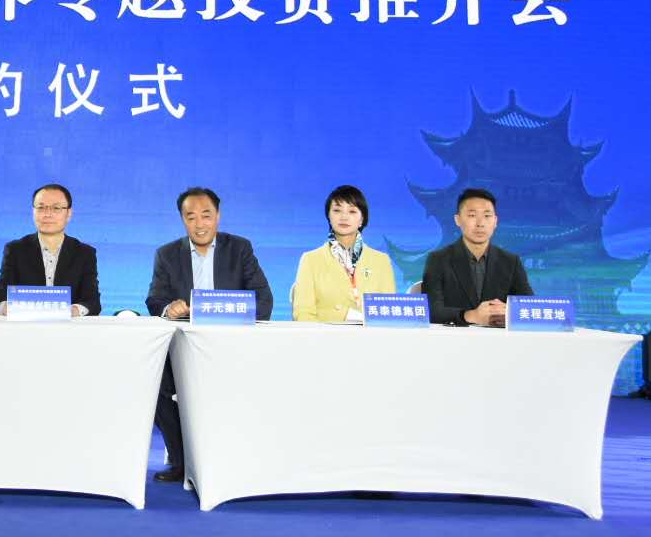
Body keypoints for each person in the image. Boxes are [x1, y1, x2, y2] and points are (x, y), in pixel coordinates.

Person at [146, 186, 273, 483]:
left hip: (232, 346)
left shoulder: (240, 248)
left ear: (218, 216)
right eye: (191, 217)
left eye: (206, 215)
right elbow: (155, 300)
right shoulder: (166, 254)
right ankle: (181, 461)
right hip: (184, 348)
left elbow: (264, 301)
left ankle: (239, 458)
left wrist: (229, 313)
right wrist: (169, 308)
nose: (199, 224)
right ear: (182, 219)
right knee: (157, 382)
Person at [421, 187, 534, 327]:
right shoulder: (438, 259)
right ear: (457, 220)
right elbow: (431, 310)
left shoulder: (511, 261)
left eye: (487, 216)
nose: (480, 224)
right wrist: (471, 315)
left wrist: (510, 311)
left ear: (495, 221)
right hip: (454, 336)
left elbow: (529, 307)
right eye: (472, 215)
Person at [0, 183, 100, 316]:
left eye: (56, 208)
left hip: (69, 326)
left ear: (69, 213)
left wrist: (70, 312)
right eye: (41, 207)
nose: (47, 214)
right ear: (33, 211)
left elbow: (92, 301)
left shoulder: (84, 253)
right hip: (25, 325)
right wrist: (7, 308)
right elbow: (0, 297)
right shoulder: (15, 250)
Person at [291, 184, 397, 322]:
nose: (344, 217)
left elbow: (389, 314)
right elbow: (303, 314)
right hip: (326, 334)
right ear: (328, 216)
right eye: (337, 210)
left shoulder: (381, 261)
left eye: (352, 211)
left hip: (370, 334)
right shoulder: (310, 260)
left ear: (362, 219)